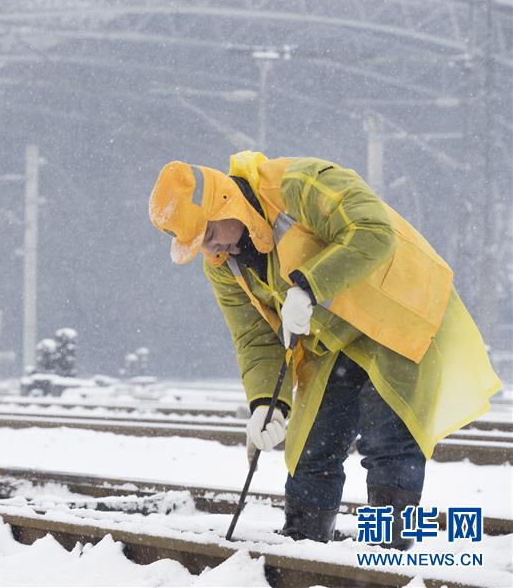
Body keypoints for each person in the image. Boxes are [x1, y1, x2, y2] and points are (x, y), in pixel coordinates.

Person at [148, 151, 500, 548]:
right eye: (199, 244)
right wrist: (266, 404)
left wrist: (310, 285)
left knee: (388, 438)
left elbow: (373, 231)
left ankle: (389, 552)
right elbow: (254, 338)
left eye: (211, 234)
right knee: (310, 448)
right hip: (333, 341)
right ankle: (304, 549)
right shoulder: (222, 264)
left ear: (226, 203)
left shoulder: (296, 184)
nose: (214, 249)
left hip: (398, 311)